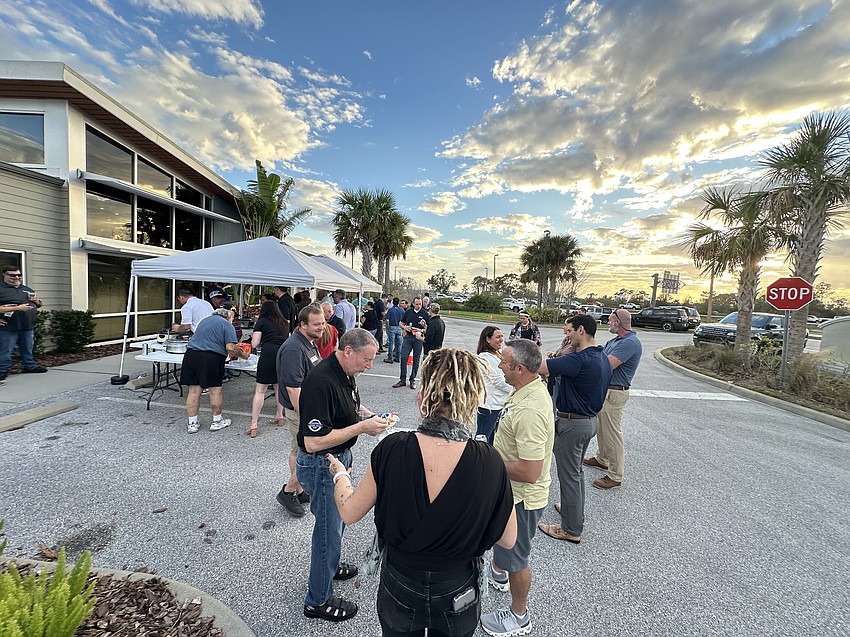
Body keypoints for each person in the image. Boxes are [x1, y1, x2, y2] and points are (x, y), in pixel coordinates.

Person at [327, 347, 518, 633]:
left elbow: (350, 512)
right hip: (458, 585)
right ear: (473, 398)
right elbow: (508, 539)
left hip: (401, 581)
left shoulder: (392, 449)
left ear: (423, 397)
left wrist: (340, 474)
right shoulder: (489, 460)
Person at [296, 329, 395, 623]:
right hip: (322, 462)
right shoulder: (321, 381)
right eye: (366, 360)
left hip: (339, 459)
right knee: (327, 533)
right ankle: (317, 601)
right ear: (348, 351)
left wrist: (370, 417)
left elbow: (349, 407)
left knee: (336, 527)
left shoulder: (345, 372)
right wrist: (362, 429)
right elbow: (312, 442)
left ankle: (330, 567)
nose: (370, 366)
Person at [481, 339, 554, 637]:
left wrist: (486, 460)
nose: (499, 365)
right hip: (511, 493)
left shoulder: (530, 410)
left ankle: (519, 616)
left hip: (523, 499)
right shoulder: (526, 390)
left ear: (519, 369)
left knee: (517, 558)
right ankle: (498, 573)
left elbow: (530, 470)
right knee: (505, 546)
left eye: (504, 362)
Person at [536, 314, 611, 543]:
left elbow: (539, 366)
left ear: (581, 330)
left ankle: (570, 529)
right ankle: (572, 510)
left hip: (574, 424)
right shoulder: (602, 357)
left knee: (569, 476)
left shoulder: (579, 360)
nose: (566, 337)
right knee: (575, 472)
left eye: (569, 332)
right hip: (588, 421)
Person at [584, 308, 643, 490]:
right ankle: (602, 459)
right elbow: (599, 356)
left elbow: (607, 364)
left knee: (612, 433)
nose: (608, 322)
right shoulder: (615, 340)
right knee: (602, 428)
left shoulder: (629, 343)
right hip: (606, 391)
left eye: (610, 320)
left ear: (618, 322)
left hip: (614, 393)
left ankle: (615, 475)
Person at [275, 304, 325, 517]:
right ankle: (288, 491)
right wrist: (308, 418)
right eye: (317, 324)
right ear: (302, 324)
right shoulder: (294, 349)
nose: (322, 327)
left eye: (323, 323)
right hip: (301, 411)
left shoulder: (309, 342)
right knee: (306, 452)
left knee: (300, 451)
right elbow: (294, 390)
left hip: (309, 408)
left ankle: (300, 489)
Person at [180, 307, 248, 434]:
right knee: (215, 390)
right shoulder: (227, 325)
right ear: (229, 316)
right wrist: (244, 355)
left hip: (191, 355)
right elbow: (231, 348)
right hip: (211, 357)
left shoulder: (204, 321)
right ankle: (217, 421)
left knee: (194, 391)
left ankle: (192, 423)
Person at [246, 301, 289, 438]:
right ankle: (280, 415)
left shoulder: (262, 321)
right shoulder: (284, 322)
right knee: (278, 388)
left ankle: (254, 424)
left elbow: (254, 343)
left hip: (268, 353)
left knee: (260, 390)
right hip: (282, 354)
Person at [0, 265, 47, 382]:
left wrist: (36, 301)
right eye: (12, 275)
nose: (16, 277)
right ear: (4, 275)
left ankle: (29, 366)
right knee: (6, 350)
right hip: (8, 327)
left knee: (27, 348)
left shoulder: (27, 289)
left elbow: (39, 304)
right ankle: (3, 370)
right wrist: (18, 308)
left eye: (19, 275)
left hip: (27, 326)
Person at [475, 326, 512, 444]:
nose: (501, 339)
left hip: (500, 404)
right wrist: (517, 389)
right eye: (498, 337)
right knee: (483, 439)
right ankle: (478, 461)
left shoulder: (499, 353)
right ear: (488, 339)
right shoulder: (485, 357)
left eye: (502, 336)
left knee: (494, 440)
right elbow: (499, 381)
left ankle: (489, 461)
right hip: (489, 407)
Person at [393, 295, 429, 390]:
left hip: (418, 338)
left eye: (420, 304)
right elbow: (401, 322)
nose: (418, 306)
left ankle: (412, 379)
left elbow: (428, 329)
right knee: (404, 357)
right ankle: (402, 379)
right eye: (417, 304)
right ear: (413, 304)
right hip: (408, 337)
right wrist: (405, 327)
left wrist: (422, 328)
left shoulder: (425, 313)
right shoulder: (408, 311)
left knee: (416, 360)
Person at [383, 297, 403, 364]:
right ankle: (398, 357)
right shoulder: (402, 310)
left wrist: (388, 327)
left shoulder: (390, 310)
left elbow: (387, 320)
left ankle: (390, 357)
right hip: (399, 327)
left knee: (391, 343)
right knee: (399, 343)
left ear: (393, 302)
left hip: (392, 326)